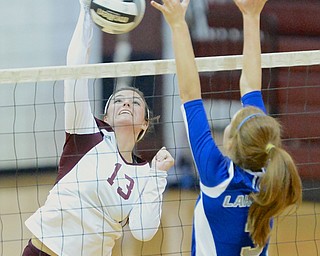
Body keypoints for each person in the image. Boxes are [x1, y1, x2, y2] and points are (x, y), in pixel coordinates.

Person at [22, 1, 174, 255]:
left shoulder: (146, 175)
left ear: (145, 123)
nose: (126, 102)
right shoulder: (88, 136)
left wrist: (158, 176)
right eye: (118, 100)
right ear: (106, 115)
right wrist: (85, 12)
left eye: (135, 102)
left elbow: (142, 232)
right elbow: (74, 74)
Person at [151, 0, 302, 255]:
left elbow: (191, 94)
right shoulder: (269, 176)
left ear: (231, 142)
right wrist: (252, 17)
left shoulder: (217, 175)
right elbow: (249, 88)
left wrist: (178, 24)